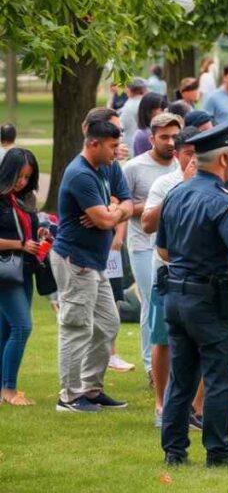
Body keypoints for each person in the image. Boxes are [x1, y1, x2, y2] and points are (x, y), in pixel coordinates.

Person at [156, 120, 228, 468]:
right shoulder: (224, 202)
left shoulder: (175, 195)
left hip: (175, 296)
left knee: (182, 376)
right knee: (221, 373)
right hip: (210, 301)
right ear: (223, 160)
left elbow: (164, 251)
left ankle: (174, 450)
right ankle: (218, 450)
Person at [52, 110, 133, 413]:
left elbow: (126, 202)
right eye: (113, 146)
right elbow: (102, 220)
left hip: (94, 262)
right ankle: (69, 397)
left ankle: (91, 387)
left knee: (108, 323)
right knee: (76, 326)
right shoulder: (80, 174)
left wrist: (113, 211)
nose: (117, 152)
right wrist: (110, 214)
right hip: (75, 261)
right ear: (95, 143)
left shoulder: (107, 167)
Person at [141, 126, 204, 430]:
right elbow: (148, 224)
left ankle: (194, 407)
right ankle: (160, 404)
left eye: (198, 154)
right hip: (167, 273)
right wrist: (182, 188)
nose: (194, 160)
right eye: (189, 154)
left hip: (200, 275)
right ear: (178, 154)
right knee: (163, 339)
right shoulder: (165, 183)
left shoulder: (211, 184)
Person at [123, 113, 183, 381]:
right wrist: (152, 205)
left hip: (175, 248)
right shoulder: (134, 168)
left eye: (175, 137)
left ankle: (173, 362)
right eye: (164, 137)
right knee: (151, 300)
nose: (170, 142)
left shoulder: (182, 166)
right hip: (142, 244)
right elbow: (121, 206)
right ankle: (151, 364)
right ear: (151, 139)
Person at [0, 148, 43, 406]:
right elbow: (18, 239)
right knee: (22, 327)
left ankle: (4, 387)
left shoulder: (23, 198)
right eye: (20, 176)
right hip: (6, 272)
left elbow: (27, 231)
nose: (23, 182)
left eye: (28, 177)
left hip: (24, 270)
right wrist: (20, 243)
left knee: (6, 330)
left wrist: (40, 236)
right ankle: (9, 389)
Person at [132, 92, 168, 157]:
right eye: (161, 109)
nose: (164, 113)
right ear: (149, 111)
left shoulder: (146, 131)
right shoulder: (146, 134)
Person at [119, 78, 148, 150]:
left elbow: (121, 126)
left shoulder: (129, 106)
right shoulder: (147, 103)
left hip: (130, 145)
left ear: (129, 90)